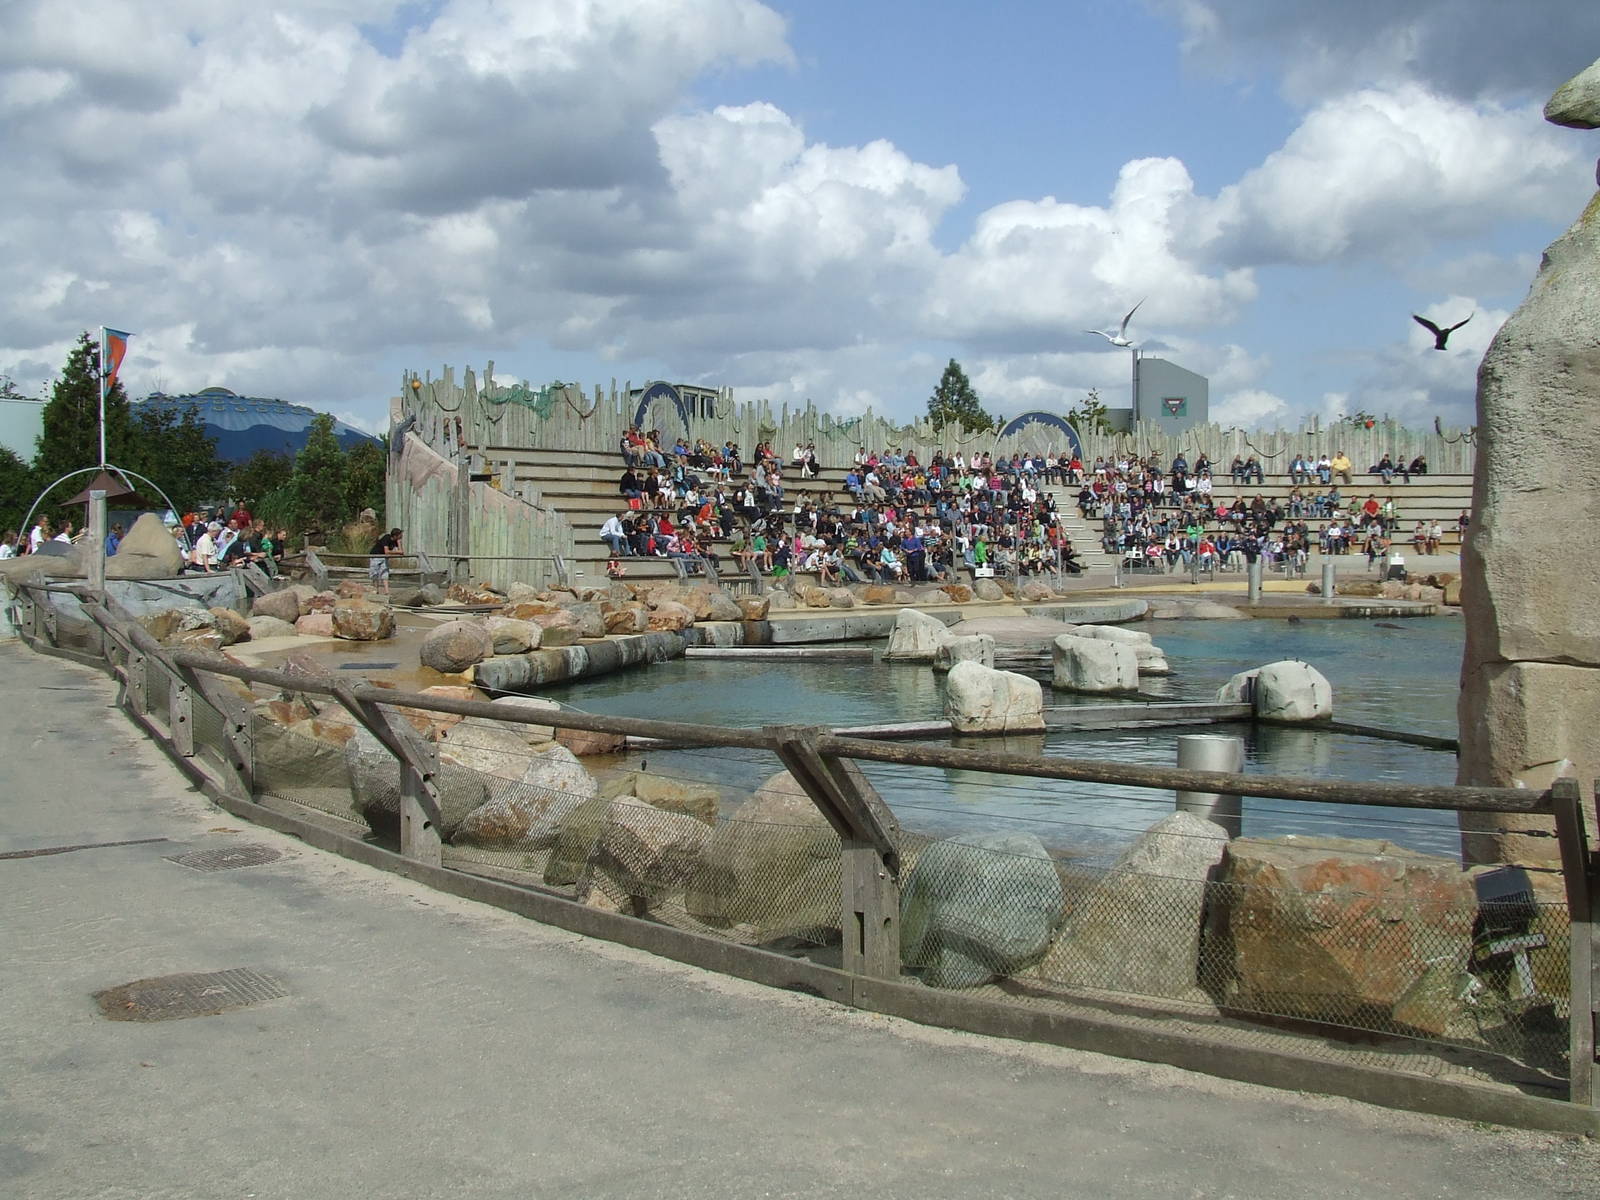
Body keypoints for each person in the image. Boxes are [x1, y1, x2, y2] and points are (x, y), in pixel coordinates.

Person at [368, 527, 403, 596]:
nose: (401, 536)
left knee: (385, 573)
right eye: (400, 535)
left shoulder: (396, 541)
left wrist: (399, 543)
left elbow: (401, 552)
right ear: (395, 535)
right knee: (375, 573)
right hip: (376, 556)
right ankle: (376, 589)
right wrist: (397, 552)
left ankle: (386, 591)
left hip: (384, 557)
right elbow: (386, 551)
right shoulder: (386, 538)